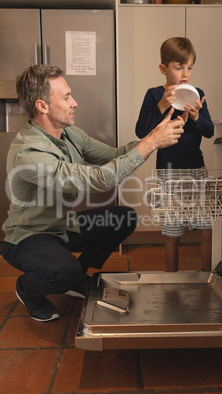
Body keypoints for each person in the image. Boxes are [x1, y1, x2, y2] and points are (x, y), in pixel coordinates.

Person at [1, 64, 185, 322]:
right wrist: (151, 142)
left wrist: (153, 136)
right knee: (64, 271)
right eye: (66, 97)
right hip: (29, 238)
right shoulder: (28, 153)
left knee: (125, 217)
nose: (74, 103)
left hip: (63, 228)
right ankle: (28, 289)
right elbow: (101, 180)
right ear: (42, 106)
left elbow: (114, 155)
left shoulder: (70, 134)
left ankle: (78, 277)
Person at [136, 37, 214, 272]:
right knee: (172, 233)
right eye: (178, 67)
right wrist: (161, 105)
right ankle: (172, 277)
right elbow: (141, 130)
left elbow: (210, 131)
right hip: (169, 174)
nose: (185, 74)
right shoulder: (154, 95)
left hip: (197, 170)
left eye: (189, 67)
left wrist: (196, 117)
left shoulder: (198, 94)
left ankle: (207, 275)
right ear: (164, 69)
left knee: (207, 228)